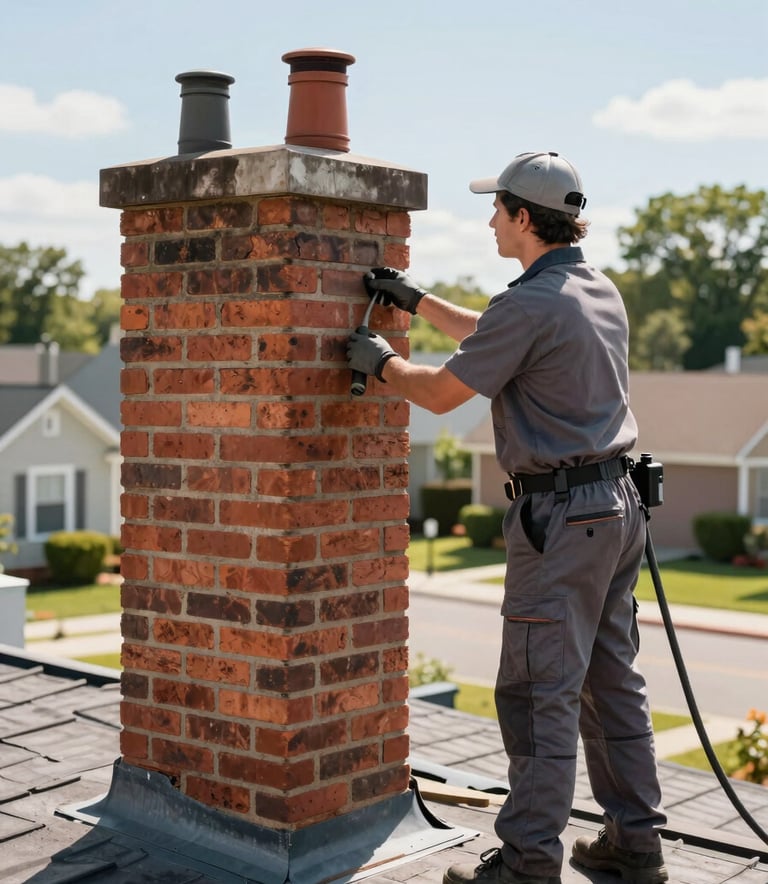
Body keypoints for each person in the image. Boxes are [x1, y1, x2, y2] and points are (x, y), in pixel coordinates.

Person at [347, 152, 668, 884]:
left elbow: (438, 392)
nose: (490, 218)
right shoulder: (593, 289)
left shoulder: (531, 305)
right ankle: (635, 848)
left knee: (536, 692)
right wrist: (418, 301)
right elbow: (499, 329)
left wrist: (379, 363)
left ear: (526, 218)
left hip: (560, 523)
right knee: (611, 684)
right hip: (616, 511)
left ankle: (526, 866)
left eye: (498, 208)